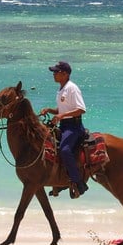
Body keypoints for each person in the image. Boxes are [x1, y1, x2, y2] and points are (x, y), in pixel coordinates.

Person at [41, 61, 89, 197]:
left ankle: (79, 182)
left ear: (65, 74)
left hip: (74, 127)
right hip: (64, 125)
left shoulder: (72, 88)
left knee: (65, 150)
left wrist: (61, 115)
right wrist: (50, 110)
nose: (54, 74)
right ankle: (62, 181)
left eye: (56, 72)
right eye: (54, 72)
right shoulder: (62, 89)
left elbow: (81, 109)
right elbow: (63, 109)